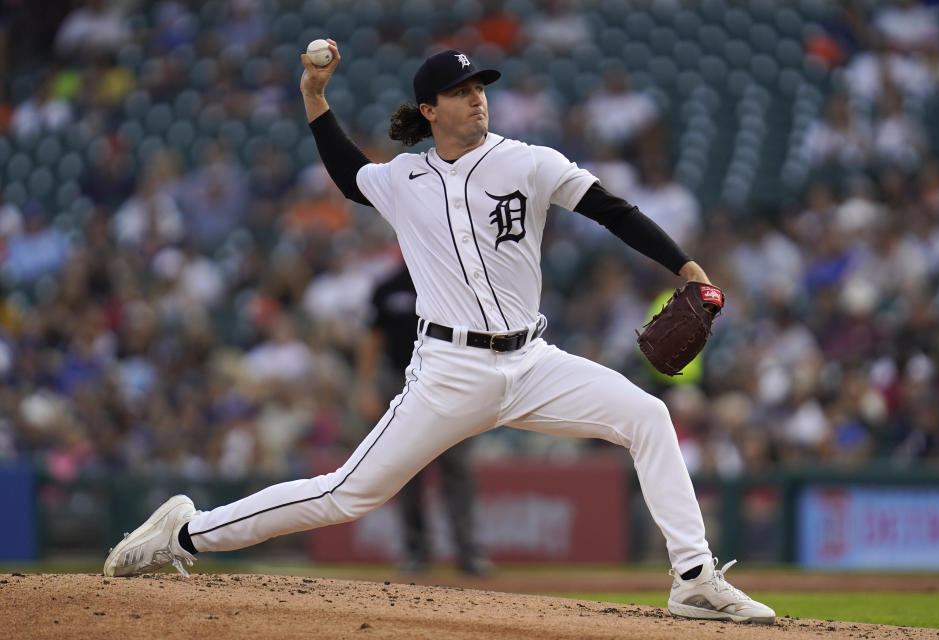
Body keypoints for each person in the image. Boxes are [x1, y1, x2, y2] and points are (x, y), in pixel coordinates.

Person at [103, 42, 776, 625]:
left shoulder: (530, 162)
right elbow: (346, 174)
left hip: (532, 362)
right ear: (429, 110)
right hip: (448, 371)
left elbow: (613, 209)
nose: (475, 99)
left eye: (478, 87)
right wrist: (313, 96)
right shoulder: (405, 178)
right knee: (347, 495)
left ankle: (694, 581)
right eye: (459, 91)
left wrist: (686, 267)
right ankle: (185, 535)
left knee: (649, 416)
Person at [355, 261, 489, 575]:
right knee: (406, 471)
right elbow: (372, 339)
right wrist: (365, 386)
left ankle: (470, 553)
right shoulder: (389, 287)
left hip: (449, 381)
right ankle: (416, 552)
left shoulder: (450, 282)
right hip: (400, 379)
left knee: (457, 470)